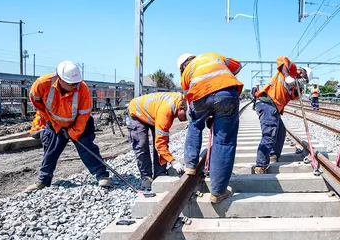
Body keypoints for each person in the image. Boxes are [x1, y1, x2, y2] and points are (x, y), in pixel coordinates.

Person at [25, 61, 110, 192]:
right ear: (59, 78)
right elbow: (35, 100)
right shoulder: (42, 84)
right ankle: (43, 181)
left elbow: (84, 114)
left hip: (79, 123)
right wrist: (49, 119)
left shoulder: (83, 89)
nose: (74, 86)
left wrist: (73, 132)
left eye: (76, 83)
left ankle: (102, 175)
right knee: (51, 151)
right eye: (71, 84)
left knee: (87, 148)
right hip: (55, 124)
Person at [178, 52, 243, 203]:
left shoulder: (186, 74)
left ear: (182, 67)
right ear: (192, 57)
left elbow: (189, 100)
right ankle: (218, 192)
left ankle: (190, 165)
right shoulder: (212, 55)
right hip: (226, 93)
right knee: (224, 141)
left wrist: (204, 114)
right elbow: (238, 66)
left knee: (195, 124)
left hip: (200, 97)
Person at [254, 56, 312, 173]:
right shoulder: (291, 70)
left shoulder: (295, 83)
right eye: (304, 77)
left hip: (273, 108)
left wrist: (298, 87)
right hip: (267, 103)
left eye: (305, 81)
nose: (303, 80)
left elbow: (295, 96)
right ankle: (261, 165)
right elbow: (281, 59)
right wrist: (288, 76)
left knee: (280, 132)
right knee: (269, 134)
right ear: (302, 72)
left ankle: (272, 155)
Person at [127, 92, 187, 190]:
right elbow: (160, 144)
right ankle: (146, 176)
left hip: (154, 113)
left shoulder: (182, 102)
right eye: (184, 117)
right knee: (142, 143)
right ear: (181, 109)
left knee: (162, 139)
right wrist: (173, 162)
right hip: (137, 113)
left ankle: (160, 173)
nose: (184, 120)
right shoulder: (166, 112)